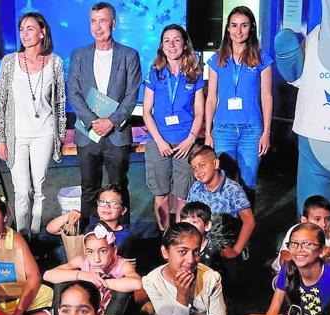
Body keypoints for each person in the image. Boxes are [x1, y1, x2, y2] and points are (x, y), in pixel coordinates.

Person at [68, 1, 142, 221]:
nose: (97, 26)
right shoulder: (79, 55)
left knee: (119, 188)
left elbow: (132, 95)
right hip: (87, 133)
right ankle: (90, 238)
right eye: (93, 21)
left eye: (103, 20)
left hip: (117, 134)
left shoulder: (129, 55)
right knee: (89, 188)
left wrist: (111, 121)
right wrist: (93, 121)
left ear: (114, 23)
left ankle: (122, 240)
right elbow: (74, 93)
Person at [0, 12, 66, 236]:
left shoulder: (55, 62)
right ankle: (21, 234)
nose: (25, 34)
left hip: (44, 132)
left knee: (39, 188)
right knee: (22, 190)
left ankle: (34, 236)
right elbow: (1, 102)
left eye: (31, 28)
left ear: (42, 32)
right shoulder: (9, 62)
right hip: (16, 135)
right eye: (22, 29)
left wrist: (60, 135)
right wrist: (0, 138)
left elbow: (60, 103)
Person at [243, 223, 330, 315]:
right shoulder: (288, 268)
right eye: (294, 244)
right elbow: (273, 310)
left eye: (308, 244)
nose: (299, 249)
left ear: (322, 251)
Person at [204, 6, 273, 198]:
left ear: (251, 28)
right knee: (223, 182)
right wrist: (208, 132)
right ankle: (227, 227)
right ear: (228, 29)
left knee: (248, 184)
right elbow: (211, 98)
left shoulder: (262, 59)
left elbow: (266, 97)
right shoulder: (217, 60)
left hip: (251, 131)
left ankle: (247, 227)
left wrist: (266, 132)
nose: (238, 31)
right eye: (234, 26)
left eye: (244, 25)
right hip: (223, 130)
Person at [142, 24, 205, 230]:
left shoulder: (194, 76)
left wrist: (190, 140)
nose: (171, 44)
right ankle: (164, 237)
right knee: (161, 194)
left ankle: (179, 239)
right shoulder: (154, 75)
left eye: (176, 40)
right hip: (159, 142)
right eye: (167, 40)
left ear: (185, 44)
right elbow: (146, 112)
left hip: (185, 143)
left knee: (182, 196)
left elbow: (200, 113)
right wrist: (160, 142)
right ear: (161, 45)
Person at [142, 222, 227, 315]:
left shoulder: (210, 278)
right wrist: (182, 296)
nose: (191, 260)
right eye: (182, 251)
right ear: (165, 252)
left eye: (196, 252)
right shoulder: (152, 281)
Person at [186, 145, 255, 287]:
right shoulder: (195, 188)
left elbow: (249, 221)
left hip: (224, 244)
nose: (198, 172)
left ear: (215, 163)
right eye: (194, 168)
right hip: (200, 244)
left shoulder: (232, 189)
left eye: (202, 165)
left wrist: (236, 249)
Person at [43, 222, 141, 315]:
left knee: (123, 293)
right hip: (84, 311)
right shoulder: (83, 260)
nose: (96, 259)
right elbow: (48, 275)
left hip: (108, 313)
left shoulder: (121, 265)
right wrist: (81, 275)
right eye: (90, 252)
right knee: (61, 282)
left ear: (114, 250)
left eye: (103, 251)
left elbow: (137, 283)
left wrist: (101, 282)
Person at [272, 195, 330, 286]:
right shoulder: (297, 231)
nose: (323, 224)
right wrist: (320, 255)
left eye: (327, 219)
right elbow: (285, 259)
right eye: (317, 219)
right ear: (304, 221)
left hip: (317, 276)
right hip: (291, 275)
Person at [46, 184, 134, 265]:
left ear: (123, 210)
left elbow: (128, 267)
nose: (107, 206)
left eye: (114, 203)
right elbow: (51, 229)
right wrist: (69, 216)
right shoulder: (89, 221)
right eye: (102, 202)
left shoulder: (126, 236)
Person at [180, 201, 228, 290]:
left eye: (194, 222)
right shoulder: (177, 248)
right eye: (184, 222)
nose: (188, 227)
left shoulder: (213, 251)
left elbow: (219, 281)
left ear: (207, 226)